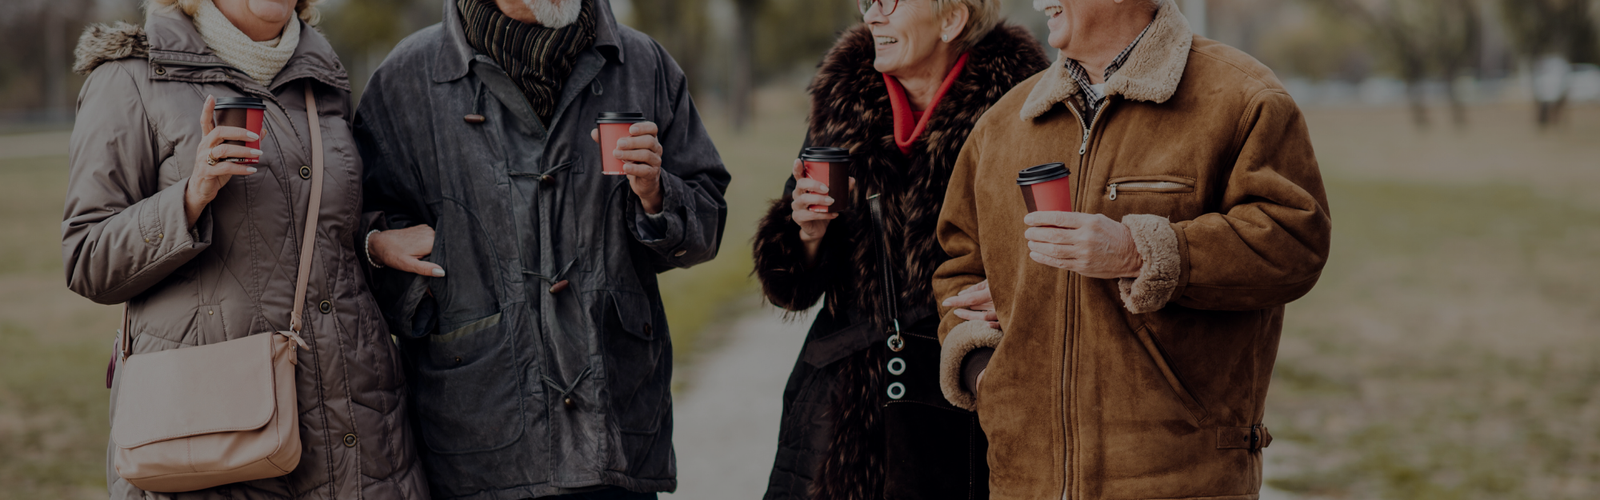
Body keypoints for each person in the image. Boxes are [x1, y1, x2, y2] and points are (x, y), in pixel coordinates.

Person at [932, 0, 1333, 497]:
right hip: (1024, 480)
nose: (1038, 0)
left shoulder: (1244, 97)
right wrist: (985, 373)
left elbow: (1295, 244)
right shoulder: (999, 127)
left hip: (1181, 479)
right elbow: (958, 267)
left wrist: (1139, 252)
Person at [353, 0, 730, 498]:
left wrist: (657, 195)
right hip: (478, 447)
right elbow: (356, 238)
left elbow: (708, 218)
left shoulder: (642, 64)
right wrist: (382, 250)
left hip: (614, 440)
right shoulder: (405, 79)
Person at [63, 0, 429, 498]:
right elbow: (87, 256)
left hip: (360, 431)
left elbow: (311, 222)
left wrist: (371, 240)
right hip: (217, 442)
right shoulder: (130, 79)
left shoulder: (322, 78)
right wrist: (191, 197)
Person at [751, 0, 1047, 497]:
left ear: (951, 19)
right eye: (867, 1)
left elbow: (1050, 246)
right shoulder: (841, 100)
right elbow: (792, 288)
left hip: (964, 396)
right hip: (844, 408)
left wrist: (1014, 296)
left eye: (889, 2)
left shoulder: (1021, 108)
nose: (871, 16)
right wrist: (806, 231)